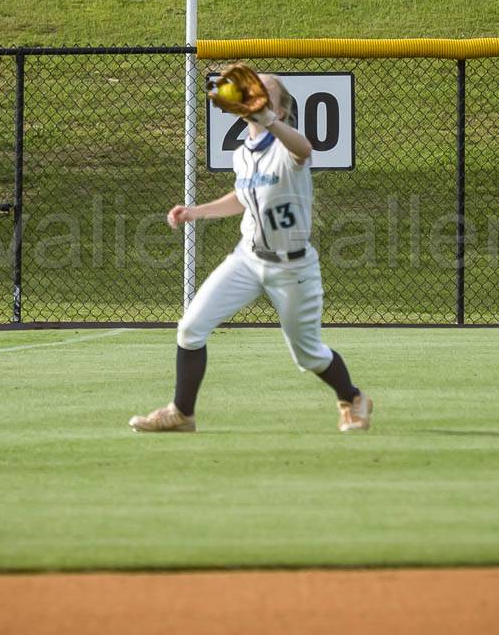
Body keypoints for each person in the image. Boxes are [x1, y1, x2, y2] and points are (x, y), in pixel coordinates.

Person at [129, 68, 372, 433]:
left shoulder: (288, 148)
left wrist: (269, 119)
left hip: (292, 267)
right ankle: (181, 413)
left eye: (265, 93)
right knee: (190, 328)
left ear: (282, 110)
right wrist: (196, 211)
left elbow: (305, 150)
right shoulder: (242, 152)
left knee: (307, 354)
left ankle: (353, 398)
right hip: (248, 257)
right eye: (251, 90)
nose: (254, 95)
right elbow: (243, 197)